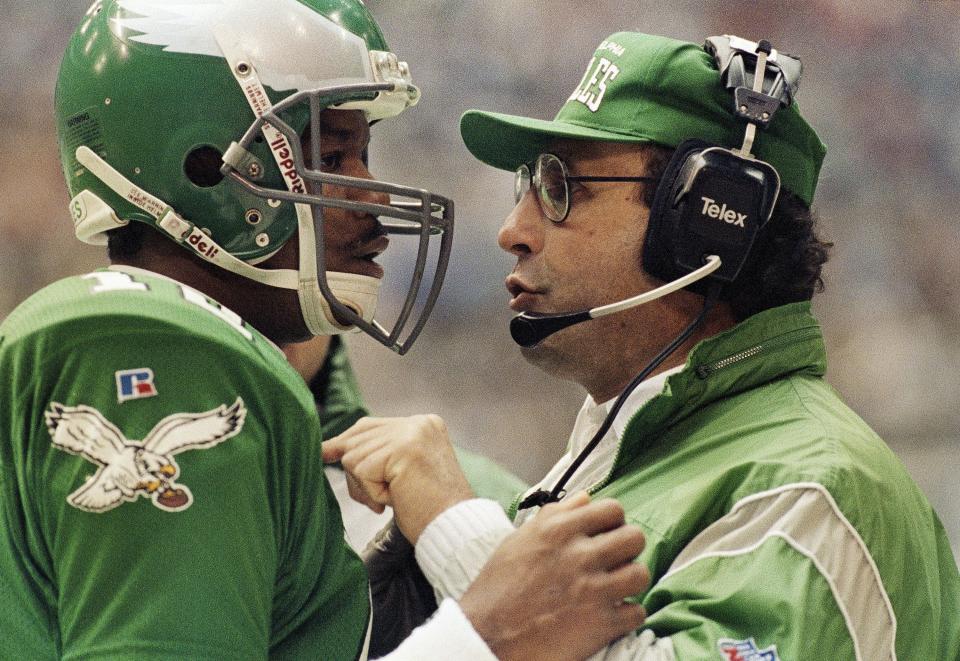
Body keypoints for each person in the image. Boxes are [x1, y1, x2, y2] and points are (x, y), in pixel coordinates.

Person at [0, 3, 651, 659]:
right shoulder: (151, 337)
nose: (369, 196)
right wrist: (483, 634)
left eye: (362, 155)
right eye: (335, 154)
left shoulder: (242, 374)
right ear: (200, 165)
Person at [324, 32, 960, 659]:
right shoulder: (622, 462)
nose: (512, 230)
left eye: (560, 189)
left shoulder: (808, 488)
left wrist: (455, 530)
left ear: (706, 222)